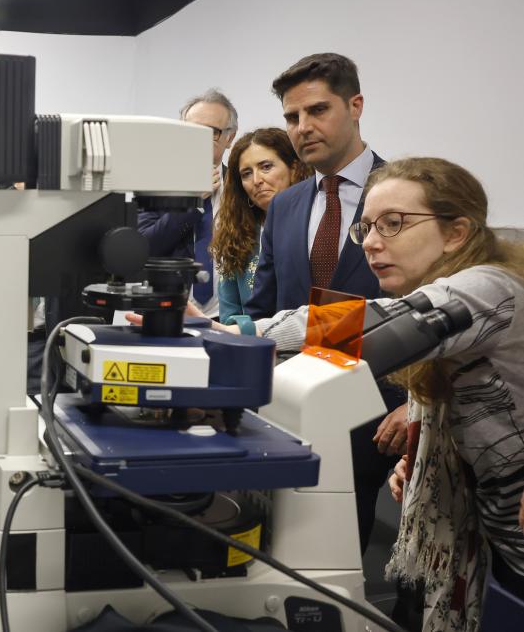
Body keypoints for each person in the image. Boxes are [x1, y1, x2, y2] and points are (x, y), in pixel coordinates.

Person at [218, 157, 524, 629]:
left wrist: (228, 335)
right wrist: (429, 453)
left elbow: (377, 327)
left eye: (394, 224)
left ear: (456, 232)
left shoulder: (489, 287)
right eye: (366, 228)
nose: (373, 242)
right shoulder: (451, 291)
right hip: (497, 537)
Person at [241, 53, 402, 554]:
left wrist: (419, 404)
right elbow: (264, 308)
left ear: (355, 106)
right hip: (290, 401)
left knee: (342, 550)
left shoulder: (406, 191)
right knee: (281, 542)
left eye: (318, 111)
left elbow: (426, 310)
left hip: (376, 409)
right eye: (292, 117)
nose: (303, 127)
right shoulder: (286, 205)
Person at [138, 89, 238, 319]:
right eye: (191, 130)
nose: (199, 138)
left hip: (226, 317)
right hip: (168, 313)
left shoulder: (241, 186)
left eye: (211, 131)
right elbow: (144, 247)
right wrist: (192, 204)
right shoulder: (156, 184)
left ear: (229, 137)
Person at [209, 128, 311, 321]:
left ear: (295, 169)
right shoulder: (237, 234)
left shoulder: (315, 225)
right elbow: (229, 314)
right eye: (246, 173)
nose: (256, 180)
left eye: (266, 167)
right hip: (250, 344)